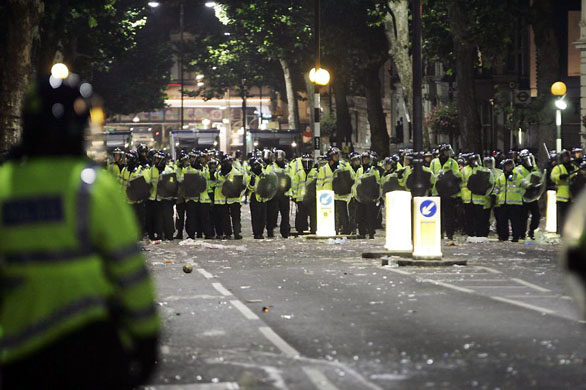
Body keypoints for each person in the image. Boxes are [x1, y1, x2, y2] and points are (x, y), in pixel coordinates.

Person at [0, 72, 159, 389]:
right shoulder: (94, 187)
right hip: (91, 346)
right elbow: (130, 272)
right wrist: (146, 339)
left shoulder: (4, 185)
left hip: (19, 352)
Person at [430, 143, 461, 240]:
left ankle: (449, 234)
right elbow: (431, 176)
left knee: (449, 215)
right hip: (436, 192)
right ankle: (439, 233)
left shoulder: (453, 163)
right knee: (437, 215)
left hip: (448, 193)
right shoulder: (434, 162)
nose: (448, 153)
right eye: (446, 151)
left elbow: (457, 176)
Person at [494, 159, 524, 242]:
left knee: (515, 221)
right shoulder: (501, 176)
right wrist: (494, 195)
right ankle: (504, 236)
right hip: (503, 202)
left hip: (515, 202)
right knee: (502, 221)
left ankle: (515, 237)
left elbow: (524, 184)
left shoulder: (517, 176)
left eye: (510, 166)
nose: (509, 167)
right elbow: (497, 187)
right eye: (507, 166)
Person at [214, 156, 243, 239]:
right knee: (225, 218)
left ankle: (237, 233)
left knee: (236, 217)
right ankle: (227, 233)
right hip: (222, 198)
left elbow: (241, 185)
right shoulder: (218, 173)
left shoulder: (236, 173)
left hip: (234, 199)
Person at [515, 150, 541, 240]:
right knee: (523, 217)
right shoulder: (518, 169)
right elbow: (519, 179)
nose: (528, 161)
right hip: (523, 196)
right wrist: (528, 185)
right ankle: (522, 234)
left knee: (536, 215)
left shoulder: (534, 168)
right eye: (526, 160)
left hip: (533, 196)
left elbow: (538, 176)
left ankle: (532, 231)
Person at [551, 149, 577, 234]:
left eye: (567, 157)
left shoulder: (573, 167)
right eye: (564, 157)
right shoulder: (558, 168)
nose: (566, 159)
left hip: (572, 196)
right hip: (561, 196)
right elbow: (553, 177)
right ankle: (560, 232)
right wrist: (560, 177)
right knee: (561, 216)